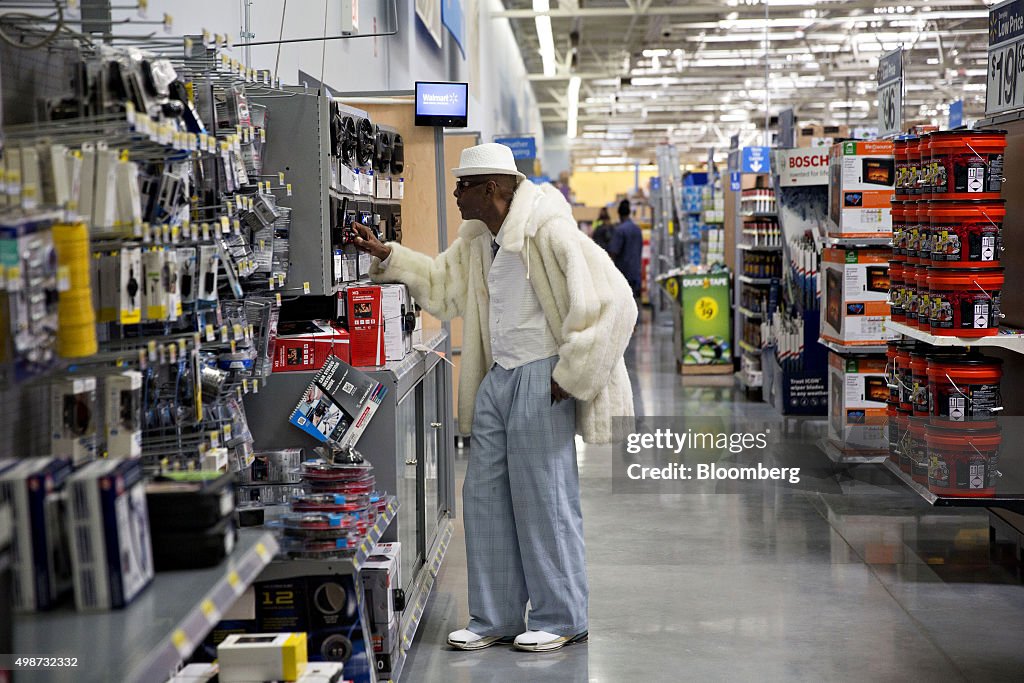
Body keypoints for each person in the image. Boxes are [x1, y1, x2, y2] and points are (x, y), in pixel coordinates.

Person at [351, 143, 636, 653]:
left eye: (463, 186)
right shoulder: (480, 239)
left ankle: (562, 616)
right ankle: (495, 616)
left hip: (542, 376)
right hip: (498, 378)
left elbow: (617, 302)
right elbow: (441, 285)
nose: (456, 194)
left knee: (544, 498)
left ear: (491, 189)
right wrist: (387, 255)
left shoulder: (547, 229)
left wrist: (572, 372)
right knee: (483, 499)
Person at [608, 199, 644, 298]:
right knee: (635, 302)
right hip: (636, 273)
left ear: (619, 214)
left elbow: (613, 252)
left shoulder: (619, 231)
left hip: (623, 275)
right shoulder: (637, 230)